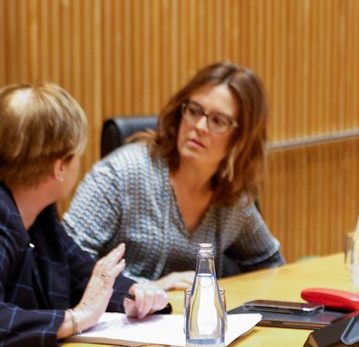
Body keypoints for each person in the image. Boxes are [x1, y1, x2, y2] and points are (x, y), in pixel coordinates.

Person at [0, 83, 170, 347]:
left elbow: (85, 279)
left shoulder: (37, 213)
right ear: (60, 166)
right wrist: (76, 319)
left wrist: (135, 294)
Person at [64, 62, 284, 289]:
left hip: (195, 322)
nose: (199, 126)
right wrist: (149, 288)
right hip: (118, 319)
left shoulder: (233, 197)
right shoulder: (121, 173)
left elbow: (270, 264)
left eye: (218, 121)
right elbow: (65, 263)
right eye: (194, 111)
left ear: (242, 139)